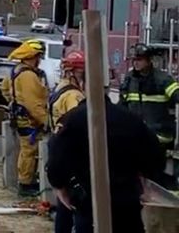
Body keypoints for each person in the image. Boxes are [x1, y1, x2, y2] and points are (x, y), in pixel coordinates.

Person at [46, 96, 166, 233]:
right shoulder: (131, 118)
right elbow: (155, 157)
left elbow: (57, 157)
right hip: (126, 202)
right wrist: (145, 177)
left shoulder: (71, 119)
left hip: (88, 201)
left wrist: (59, 186)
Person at [1, 38, 49, 196]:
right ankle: (25, 184)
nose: (39, 61)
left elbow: (5, 89)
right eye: (39, 57)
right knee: (29, 150)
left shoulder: (16, 70)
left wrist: (14, 102)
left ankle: (26, 180)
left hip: (21, 118)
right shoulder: (29, 76)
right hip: (30, 120)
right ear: (33, 56)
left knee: (26, 150)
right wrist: (47, 122)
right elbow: (34, 103)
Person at [46, 50, 86, 233]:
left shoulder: (59, 88)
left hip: (59, 149)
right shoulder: (74, 96)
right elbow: (80, 122)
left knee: (64, 203)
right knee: (78, 204)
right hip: (73, 154)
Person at [119, 43, 179, 150]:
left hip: (160, 138)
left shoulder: (163, 80)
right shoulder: (129, 80)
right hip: (136, 137)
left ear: (149, 60)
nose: (135, 63)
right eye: (134, 60)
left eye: (139, 59)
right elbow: (122, 107)